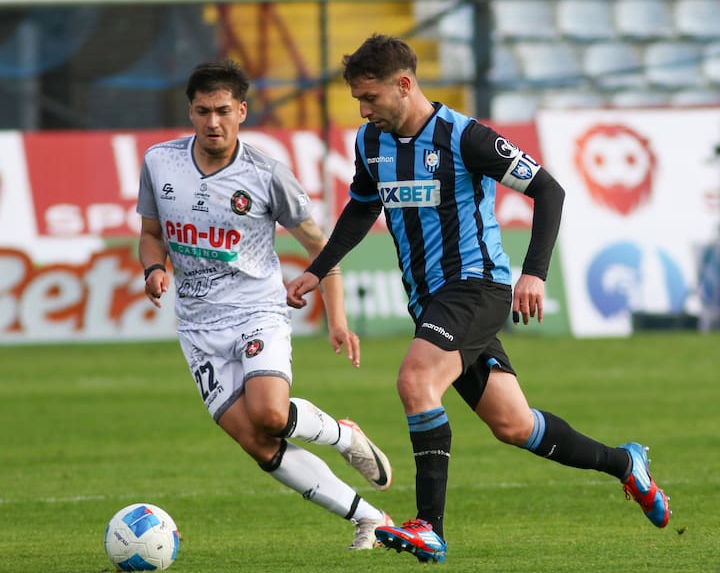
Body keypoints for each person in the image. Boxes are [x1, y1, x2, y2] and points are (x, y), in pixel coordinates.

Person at [285, 34, 670, 564]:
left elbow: (548, 191)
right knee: (514, 425)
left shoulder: (465, 138)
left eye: (370, 97)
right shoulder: (371, 143)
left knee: (415, 381)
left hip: (477, 286)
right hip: (429, 301)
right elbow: (360, 208)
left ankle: (429, 527)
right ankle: (626, 464)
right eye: (357, 99)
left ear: (404, 85)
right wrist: (318, 268)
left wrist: (534, 274)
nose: (363, 108)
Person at [137, 59, 393, 550]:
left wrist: (337, 319)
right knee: (256, 441)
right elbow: (151, 235)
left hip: (257, 309)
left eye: (224, 111)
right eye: (203, 111)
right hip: (196, 326)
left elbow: (322, 245)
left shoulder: (267, 175)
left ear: (242, 112)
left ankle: (341, 435)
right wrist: (154, 268)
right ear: (189, 112)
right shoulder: (159, 163)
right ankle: (370, 519)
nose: (213, 122)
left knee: (271, 416)